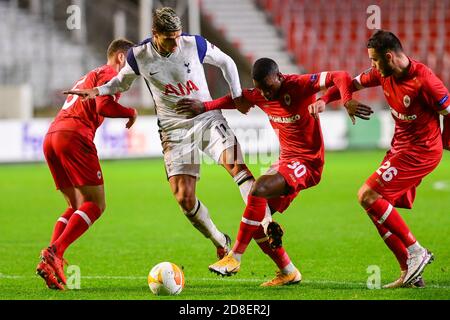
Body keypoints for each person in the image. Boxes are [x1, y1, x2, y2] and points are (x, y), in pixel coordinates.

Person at [65, 7, 267, 262]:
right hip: (173, 130)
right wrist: (99, 91)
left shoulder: (194, 44)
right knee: (184, 198)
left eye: (178, 36)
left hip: (206, 119)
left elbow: (227, 61)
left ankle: (268, 225)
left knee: (238, 167)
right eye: (169, 38)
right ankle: (219, 240)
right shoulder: (139, 55)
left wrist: (237, 95)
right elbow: (121, 83)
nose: (175, 43)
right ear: (155, 34)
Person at [176, 57, 373, 286]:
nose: (266, 95)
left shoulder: (299, 85)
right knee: (259, 219)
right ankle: (287, 271)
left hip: (308, 163)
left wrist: (346, 100)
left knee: (257, 189)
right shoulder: (260, 93)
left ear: (279, 77)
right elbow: (236, 99)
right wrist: (204, 106)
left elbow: (341, 75)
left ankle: (235, 257)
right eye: (261, 89)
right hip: (286, 162)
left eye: (269, 88)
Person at [310, 30, 450, 288]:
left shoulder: (425, 80)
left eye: (375, 60)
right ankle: (410, 271)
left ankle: (416, 250)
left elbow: (448, 111)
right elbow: (349, 84)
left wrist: (447, 141)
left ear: (389, 56)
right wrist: (324, 101)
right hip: (400, 148)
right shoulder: (381, 73)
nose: (372, 66)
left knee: (368, 195)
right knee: (374, 207)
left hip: (421, 151)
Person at [37, 39, 138, 290]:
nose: (134, 71)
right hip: (74, 136)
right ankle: (56, 252)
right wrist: (131, 112)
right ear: (121, 58)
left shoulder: (90, 75)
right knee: (95, 204)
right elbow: (103, 104)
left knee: (75, 205)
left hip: (53, 136)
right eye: (133, 62)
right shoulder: (110, 73)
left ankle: (49, 259)